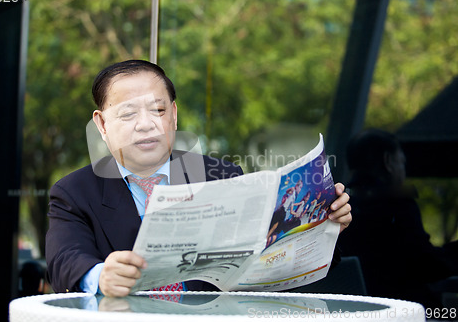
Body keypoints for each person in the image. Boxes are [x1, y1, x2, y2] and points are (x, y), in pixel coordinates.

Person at [45, 59, 352, 297]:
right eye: (127, 114)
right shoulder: (74, 192)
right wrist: (100, 276)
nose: (146, 124)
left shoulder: (222, 176)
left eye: (158, 109)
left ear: (174, 115)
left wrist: (324, 226)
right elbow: (64, 261)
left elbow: (271, 259)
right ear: (101, 124)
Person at [338, 128, 458, 308]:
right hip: (407, 310)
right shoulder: (397, 205)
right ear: (388, 161)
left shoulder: (338, 207)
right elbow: (428, 265)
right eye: (402, 162)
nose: (404, 171)